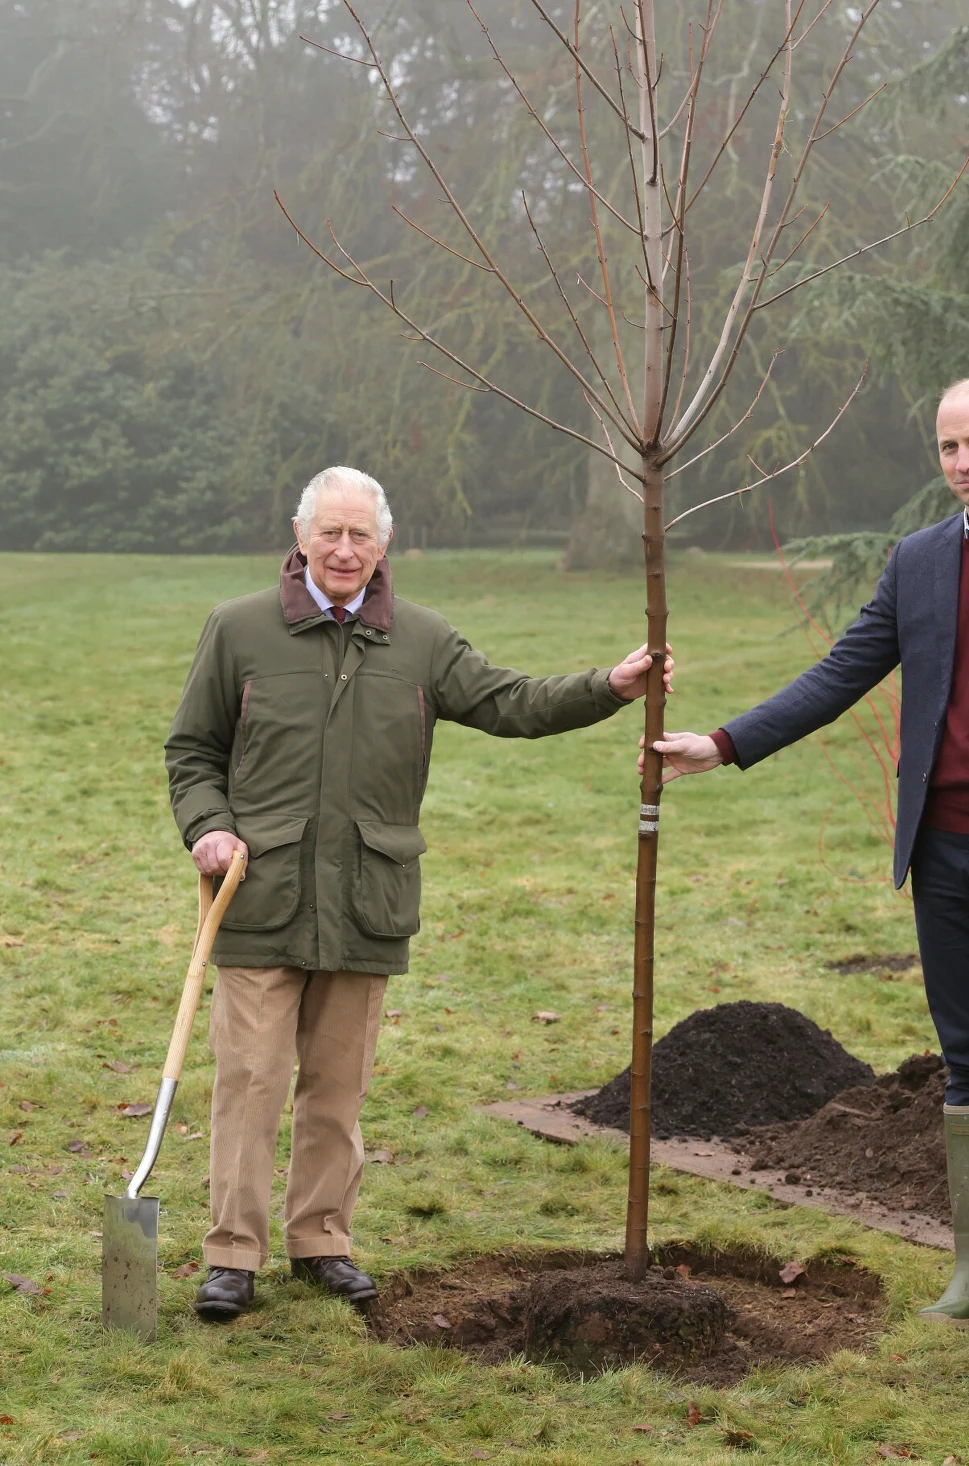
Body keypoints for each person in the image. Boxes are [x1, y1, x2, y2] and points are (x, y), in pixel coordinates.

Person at [651, 380, 969, 1355]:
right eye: (944, 446)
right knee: (966, 1054)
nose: (961, 460)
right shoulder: (918, 562)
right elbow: (841, 672)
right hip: (939, 849)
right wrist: (724, 740)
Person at [167, 465, 672, 1322]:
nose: (344, 548)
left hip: (369, 898)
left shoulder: (422, 640)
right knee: (250, 1080)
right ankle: (232, 1256)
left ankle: (321, 1240)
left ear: (385, 543)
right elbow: (192, 751)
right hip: (260, 898)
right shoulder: (239, 631)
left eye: (361, 534)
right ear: (300, 537)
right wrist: (207, 826)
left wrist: (608, 688)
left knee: (337, 1085)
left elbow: (511, 701)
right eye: (329, 531)